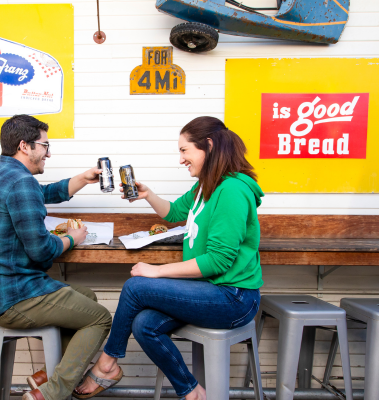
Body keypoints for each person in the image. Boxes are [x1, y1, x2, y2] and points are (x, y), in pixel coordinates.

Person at [74, 116, 265, 400]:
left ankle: (106, 364)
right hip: (212, 290)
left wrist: (159, 271)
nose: (180, 159)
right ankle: (191, 391)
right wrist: (149, 195)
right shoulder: (206, 186)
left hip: (234, 298)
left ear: (208, 146)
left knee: (136, 287)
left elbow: (219, 261)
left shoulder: (232, 190)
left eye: (184, 150)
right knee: (144, 325)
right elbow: (176, 213)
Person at [0, 114, 112, 400]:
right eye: (44, 146)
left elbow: (44, 192)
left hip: (1, 291)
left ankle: (48, 373)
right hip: (17, 297)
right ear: (25, 146)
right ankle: (51, 393)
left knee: (87, 297)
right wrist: (72, 238)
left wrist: (82, 179)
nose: (48, 153)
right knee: (99, 319)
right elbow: (42, 251)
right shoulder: (20, 183)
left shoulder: (2, 172)